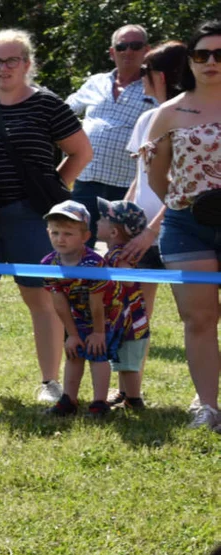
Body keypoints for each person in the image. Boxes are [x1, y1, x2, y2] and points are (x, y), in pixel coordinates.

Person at [0, 29, 93, 403]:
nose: (4, 68)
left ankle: (49, 383)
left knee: (41, 298)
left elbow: (81, 152)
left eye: (12, 60)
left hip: (30, 215)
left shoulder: (48, 104)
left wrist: (53, 192)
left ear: (27, 64)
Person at [144, 19, 221, 430]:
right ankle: (207, 407)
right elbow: (157, 176)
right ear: (189, 61)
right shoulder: (168, 114)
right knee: (199, 318)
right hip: (187, 226)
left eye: (219, 54)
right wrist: (183, 205)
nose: (211, 61)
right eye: (201, 54)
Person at [120, 42, 189, 324]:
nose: (139, 78)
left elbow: (182, 186)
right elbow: (140, 174)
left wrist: (151, 231)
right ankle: (133, 370)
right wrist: (122, 217)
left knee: (195, 315)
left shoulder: (191, 121)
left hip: (183, 232)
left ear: (159, 76)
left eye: (144, 71)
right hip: (139, 235)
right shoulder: (146, 118)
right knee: (134, 316)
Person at [66, 25, 153, 244]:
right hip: (87, 177)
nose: (128, 51)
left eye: (135, 46)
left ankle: (121, 281)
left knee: (123, 247)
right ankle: (79, 280)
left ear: (147, 51)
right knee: (77, 242)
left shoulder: (155, 85)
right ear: (112, 52)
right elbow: (66, 109)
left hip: (128, 182)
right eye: (122, 46)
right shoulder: (96, 82)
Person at [40, 201, 126, 417]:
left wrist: (98, 333)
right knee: (74, 353)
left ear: (85, 237)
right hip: (76, 316)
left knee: (98, 354)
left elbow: (96, 302)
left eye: (68, 234)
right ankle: (69, 399)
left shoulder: (93, 264)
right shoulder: (49, 264)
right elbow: (58, 300)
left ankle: (99, 403)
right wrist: (72, 334)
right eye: (55, 232)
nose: (60, 239)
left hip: (104, 316)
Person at [96, 198, 151, 409]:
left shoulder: (120, 256)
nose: (98, 221)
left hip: (129, 321)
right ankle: (125, 394)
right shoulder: (113, 254)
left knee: (129, 364)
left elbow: (127, 280)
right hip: (121, 319)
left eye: (103, 219)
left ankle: (134, 399)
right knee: (122, 361)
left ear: (113, 233)